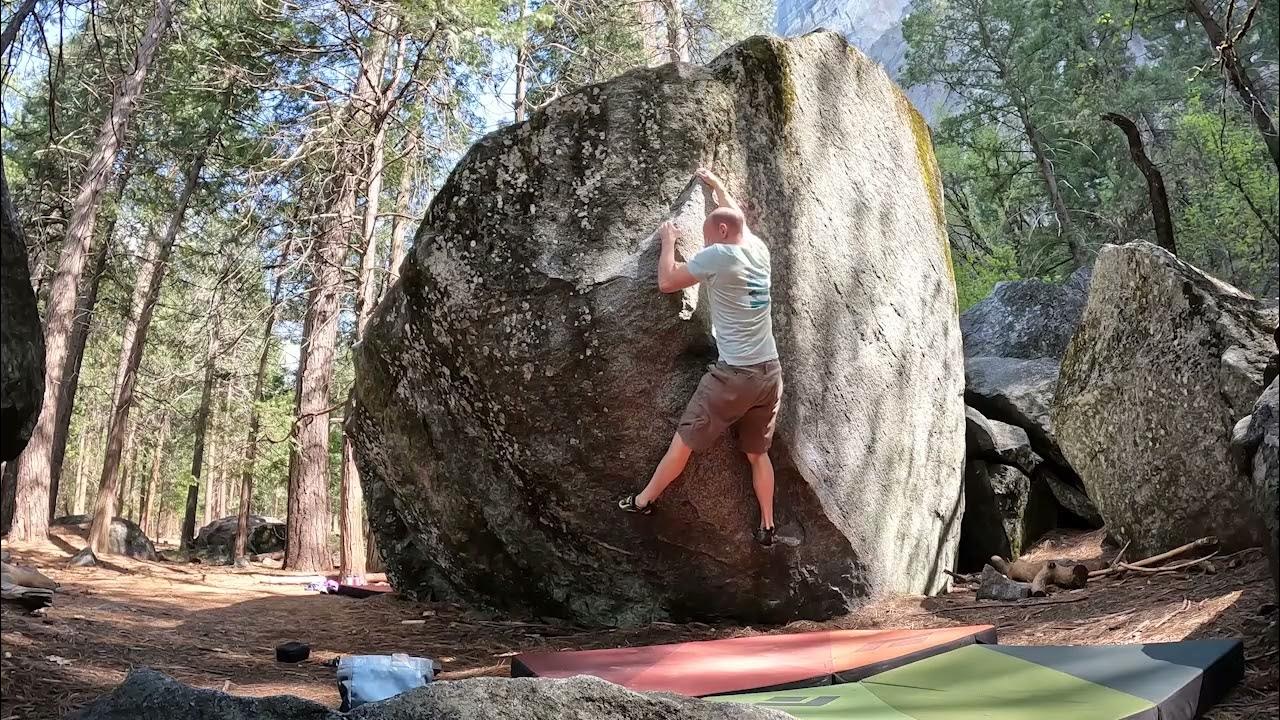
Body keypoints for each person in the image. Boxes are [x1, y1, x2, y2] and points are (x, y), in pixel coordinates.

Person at [617, 167, 783, 547]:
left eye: (708, 239)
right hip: (769, 373)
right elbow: (732, 212)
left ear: (722, 236)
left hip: (733, 377)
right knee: (758, 453)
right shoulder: (757, 249)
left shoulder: (721, 256)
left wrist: (667, 241)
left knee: (684, 442)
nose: (705, 245)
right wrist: (717, 186)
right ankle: (768, 525)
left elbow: (666, 282)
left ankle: (643, 501)